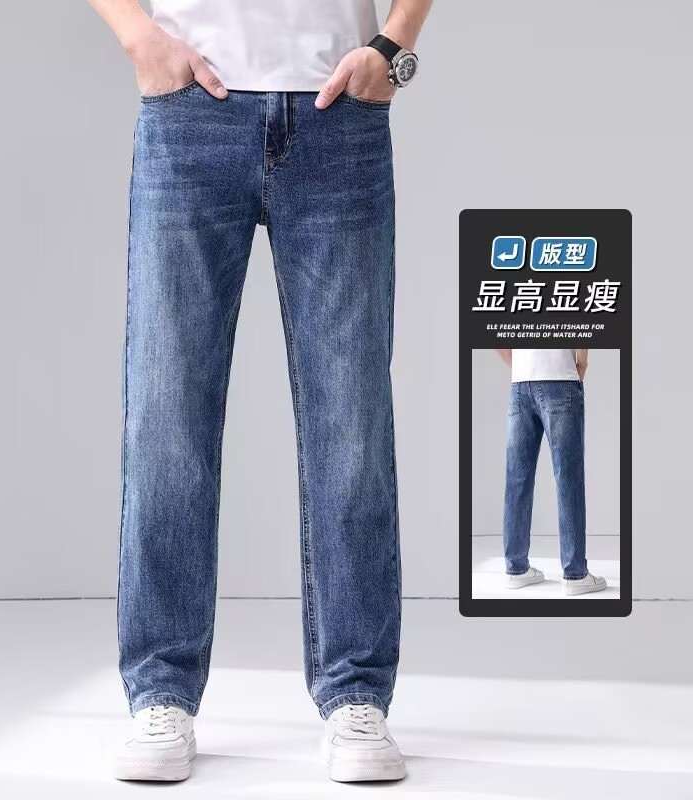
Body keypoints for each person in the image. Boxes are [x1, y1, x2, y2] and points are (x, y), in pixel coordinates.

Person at [87, 0, 433, 783]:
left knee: (352, 421)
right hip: (190, 116)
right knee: (166, 415)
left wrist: (393, 47)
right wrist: (139, 39)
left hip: (339, 112)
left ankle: (356, 693)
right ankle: (160, 692)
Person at [495, 349, 607, 596]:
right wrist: (582, 363)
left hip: (520, 384)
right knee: (568, 478)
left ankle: (516, 569)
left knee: (517, 479)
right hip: (560, 377)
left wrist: (521, 367)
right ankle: (575, 574)